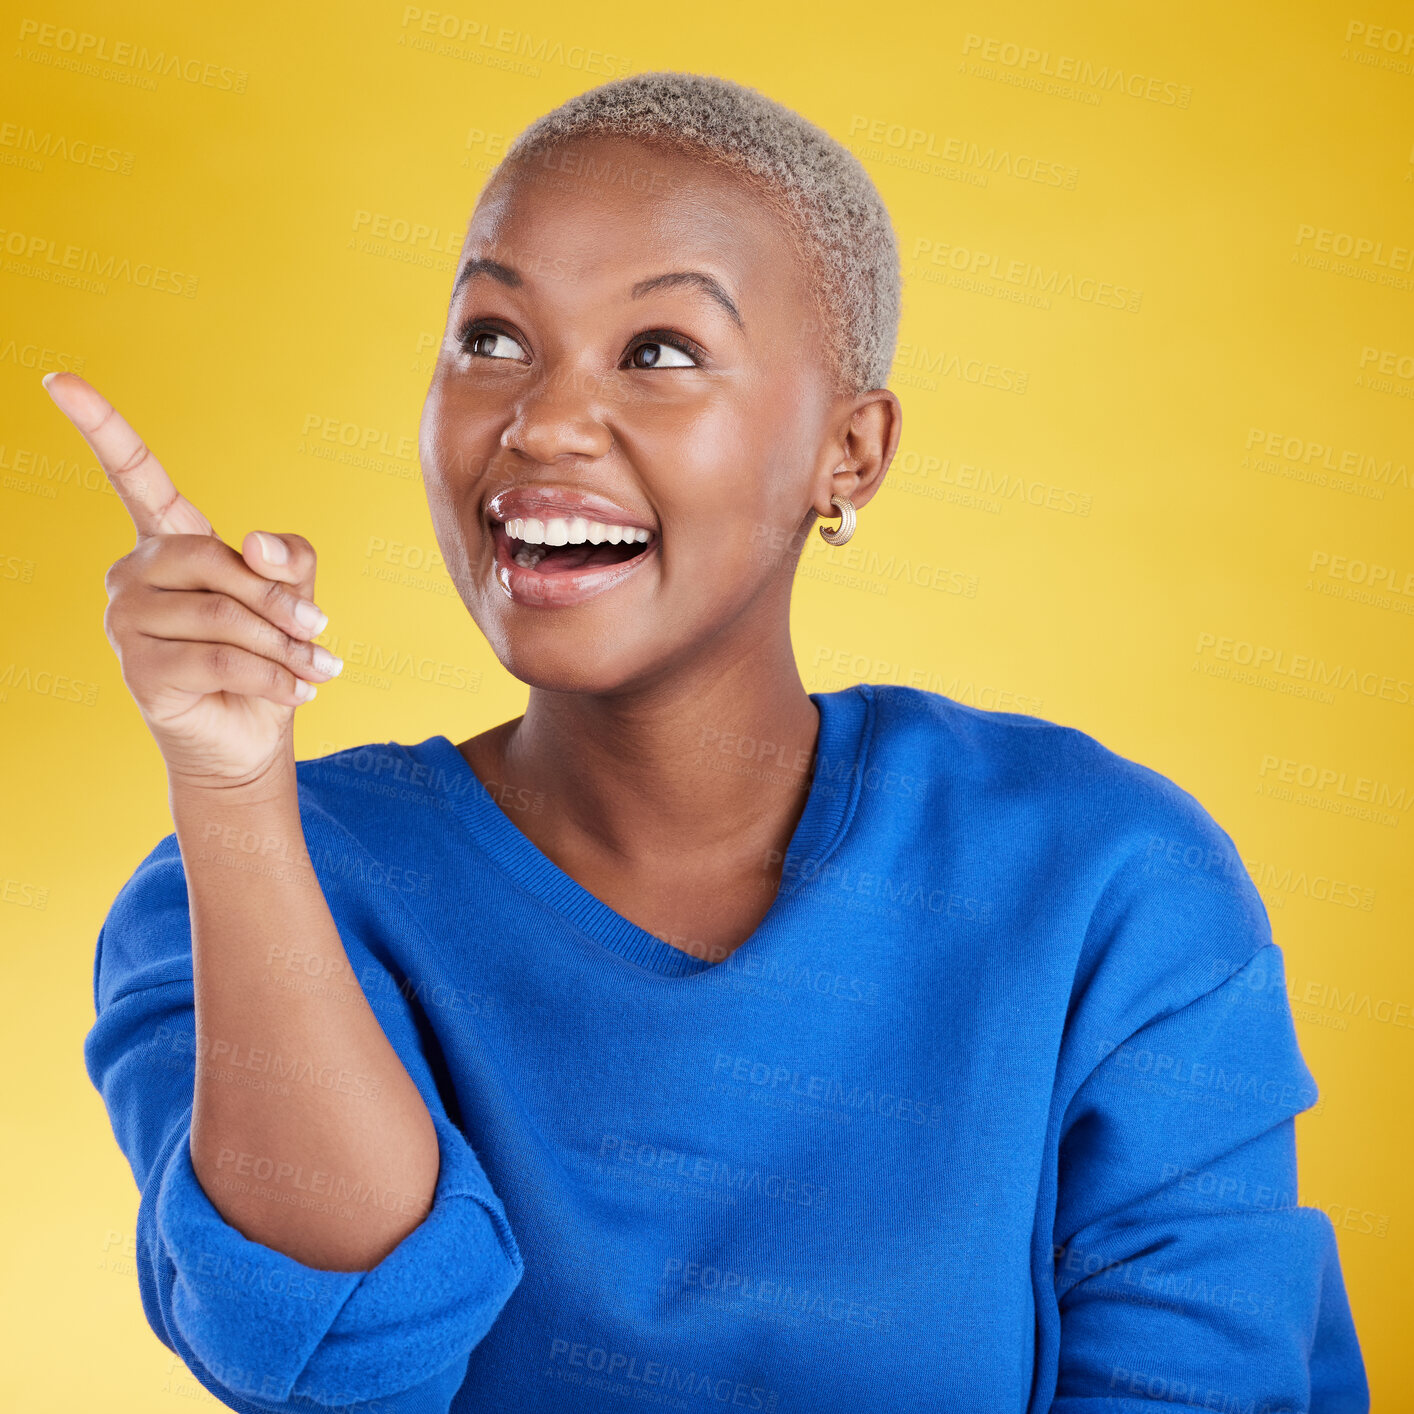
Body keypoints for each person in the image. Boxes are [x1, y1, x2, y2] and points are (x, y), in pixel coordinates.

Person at [63, 71, 1368, 1414]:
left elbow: (1196, 1378)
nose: (541, 422)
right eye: (491, 337)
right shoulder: (249, 888)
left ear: (847, 454)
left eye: (660, 351)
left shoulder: (1102, 876)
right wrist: (227, 778)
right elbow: (346, 1350)